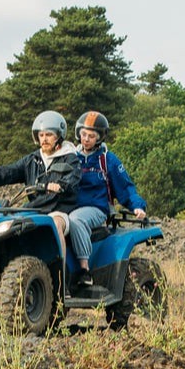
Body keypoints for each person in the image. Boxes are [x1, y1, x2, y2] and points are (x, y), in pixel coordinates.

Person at [0, 111, 81, 259]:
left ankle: (60, 272)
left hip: (58, 210)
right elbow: (7, 172)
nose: (44, 139)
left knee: (54, 224)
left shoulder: (70, 158)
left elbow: (72, 180)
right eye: (41, 135)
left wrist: (60, 185)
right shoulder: (33, 160)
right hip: (35, 209)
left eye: (49, 135)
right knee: (6, 224)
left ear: (59, 136)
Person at [66, 110, 148, 290]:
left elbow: (125, 187)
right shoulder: (71, 158)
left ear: (99, 138)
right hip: (69, 206)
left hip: (96, 208)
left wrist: (137, 207)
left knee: (76, 220)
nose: (86, 139)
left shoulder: (107, 160)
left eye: (91, 136)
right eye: (84, 134)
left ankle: (84, 271)